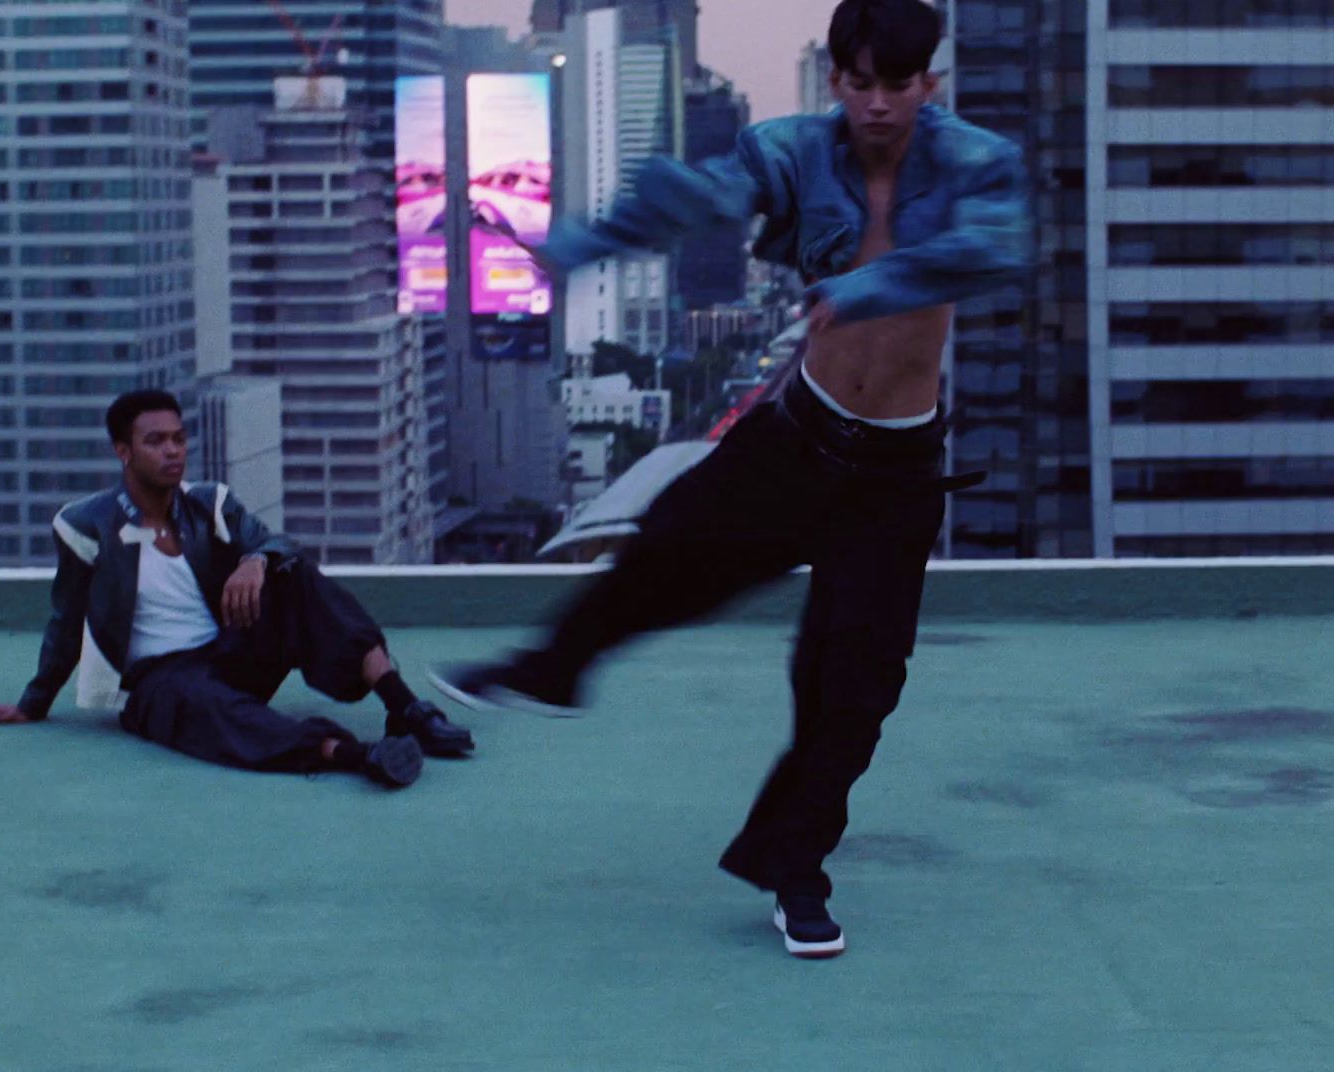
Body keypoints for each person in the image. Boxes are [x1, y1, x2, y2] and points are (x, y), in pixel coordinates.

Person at [430, 0, 1030, 956]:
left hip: (895, 471)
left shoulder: (976, 164)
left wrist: (861, 287)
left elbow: (989, 249)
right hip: (801, 434)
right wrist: (574, 248)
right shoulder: (791, 149)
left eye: (899, 84)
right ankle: (554, 667)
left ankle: (796, 869)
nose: (879, 104)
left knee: (852, 688)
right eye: (861, 83)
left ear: (931, 84)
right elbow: (688, 196)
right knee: (670, 541)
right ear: (837, 80)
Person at [0, 390, 473, 789]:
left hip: (230, 655)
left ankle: (406, 709)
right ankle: (350, 755)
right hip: (157, 682)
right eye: (155, 441)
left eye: (179, 438)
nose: (173, 451)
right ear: (123, 452)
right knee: (207, 711)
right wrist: (32, 703)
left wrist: (255, 559)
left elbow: (276, 542)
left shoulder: (208, 505)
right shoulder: (85, 526)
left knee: (292, 574)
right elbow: (66, 621)